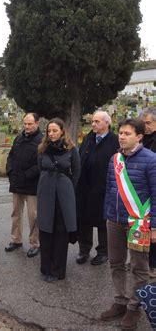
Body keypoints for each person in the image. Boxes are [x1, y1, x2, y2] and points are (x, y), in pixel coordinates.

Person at [100, 119, 156, 329]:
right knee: (116, 263)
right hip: (114, 220)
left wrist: (154, 227)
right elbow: (109, 188)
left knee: (139, 267)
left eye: (127, 133)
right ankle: (120, 301)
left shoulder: (151, 160)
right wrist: (107, 213)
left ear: (139, 136)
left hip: (139, 223)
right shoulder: (114, 159)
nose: (121, 137)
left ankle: (134, 307)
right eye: (120, 133)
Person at [37, 118, 80, 282]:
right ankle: (45, 267)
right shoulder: (42, 148)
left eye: (55, 130)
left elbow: (76, 172)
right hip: (46, 193)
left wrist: (67, 188)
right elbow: (41, 167)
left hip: (63, 194)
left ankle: (57, 270)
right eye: (49, 131)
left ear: (62, 131)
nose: (51, 134)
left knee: (61, 232)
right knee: (46, 230)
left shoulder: (71, 149)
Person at [75, 111, 119, 265]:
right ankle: (84, 250)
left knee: (102, 222)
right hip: (85, 188)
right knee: (84, 220)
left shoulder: (115, 141)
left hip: (104, 188)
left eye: (97, 122)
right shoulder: (88, 138)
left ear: (107, 123)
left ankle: (103, 252)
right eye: (92, 121)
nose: (93, 124)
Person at [5, 113, 43, 257]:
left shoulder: (41, 141)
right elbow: (11, 156)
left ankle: (35, 243)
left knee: (33, 216)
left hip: (32, 185)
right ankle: (16, 240)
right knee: (16, 214)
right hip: (17, 184)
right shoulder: (19, 138)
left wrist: (26, 175)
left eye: (30, 124)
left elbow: (40, 164)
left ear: (37, 123)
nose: (27, 127)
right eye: (25, 124)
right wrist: (10, 171)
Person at [140, 108, 156, 275]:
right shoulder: (141, 139)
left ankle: (153, 264)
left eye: (148, 123)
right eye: (143, 123)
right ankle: (142, 260)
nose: (145, 126)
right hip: (142, 190)